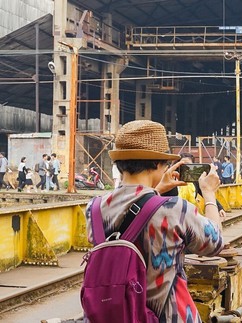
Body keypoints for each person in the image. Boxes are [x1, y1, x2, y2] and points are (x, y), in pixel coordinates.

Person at [84, 120, 224, 321]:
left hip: (115, 315)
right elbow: (215, 243)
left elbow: (130, 220)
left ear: (120, 163)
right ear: (158, 164)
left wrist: (154, 191)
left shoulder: (94, 209)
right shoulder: (174, 208)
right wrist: (209, 194)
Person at [177, 152, 226, 217]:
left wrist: (220, 208)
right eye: (182, 165)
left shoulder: (194, 181)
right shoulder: (172, 179)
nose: (185, 167)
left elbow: (206, 193)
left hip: (189, 216)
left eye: (188, 165)